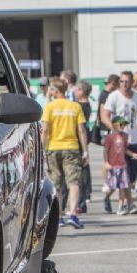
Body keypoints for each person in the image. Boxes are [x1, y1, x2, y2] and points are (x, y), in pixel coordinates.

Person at [41, 78, 88, 229]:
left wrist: (43, 149)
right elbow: (81, 130)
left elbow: (45, 130)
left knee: (57, 184)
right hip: (71, 147)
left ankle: (59, 217)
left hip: (53, 148)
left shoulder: (49, 107)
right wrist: (85, 150)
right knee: (74, 182)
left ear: (55, 91)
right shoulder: (75, 106)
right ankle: (73, 214)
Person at [101, 71, 137, 214]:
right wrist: (116, 130)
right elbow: (105, 116)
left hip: (134, 140)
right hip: (118, 143)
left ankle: (116, 199)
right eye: (122, 81)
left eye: (127, 81)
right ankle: (124, 204)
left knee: (131, 177)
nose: (124, 84)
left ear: (132, 82)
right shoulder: (114, 96)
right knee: (123, 176)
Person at [103, 117, 137, 215]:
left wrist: (132, 154)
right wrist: (106, 162)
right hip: (113, 165)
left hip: (122, 165)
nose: (123, 126)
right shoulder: (109, 137)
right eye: (121, 124)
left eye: (125, 124)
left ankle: (120, 207)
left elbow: (124, 150)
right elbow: (106, 150)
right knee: (112, 187)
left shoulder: (125, 136)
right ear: (114, 124)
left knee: (123, 187)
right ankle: (107, 198)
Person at [74, 80, 94, 211]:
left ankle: (84, 196)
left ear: (82, 91)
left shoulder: (81, 106)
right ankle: (85, 194)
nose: (75, 91)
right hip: (81, 138)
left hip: (79, 138)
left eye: (77, 89)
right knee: (83, 167)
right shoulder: (82, 105)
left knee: (81, 168)